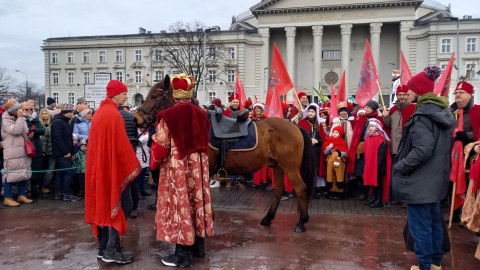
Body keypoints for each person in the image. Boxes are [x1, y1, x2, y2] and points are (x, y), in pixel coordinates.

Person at [391, 66, 455, 270]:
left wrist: (400, 166)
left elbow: (423, 150)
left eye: (410, 89)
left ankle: (425, 265)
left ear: (419, 91)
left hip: (420, 181)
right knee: (435, 223)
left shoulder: (421, 118)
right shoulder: (442, 114)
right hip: (435, 180)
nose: (407, 93)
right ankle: (435, 263)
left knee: (421, 228)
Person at [150, 74, 214, 268]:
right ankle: (198, 247)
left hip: (178, 168)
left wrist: (153, 163)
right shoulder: (201, 113)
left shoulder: (168, 116)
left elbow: (161, 146)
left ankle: (182, 254)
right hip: (198, 169)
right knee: (196, 202)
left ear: (174, 95)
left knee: (180, 205)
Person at [85, 79, 141, 264]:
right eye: (124, 93)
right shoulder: (113, 115)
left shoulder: (99, 113)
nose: (126, 95)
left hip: (98, 170)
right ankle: (112, 250)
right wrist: (133, 165)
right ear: (115, 94)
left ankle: (103, 248)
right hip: (112, 170)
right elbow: (122, 147)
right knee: (123, 206)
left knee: (102, 206)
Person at [448, 81, 480, 222]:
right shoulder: (451, 112)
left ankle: (466, 213)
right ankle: (453, 213)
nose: (458, 95)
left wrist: (467, 136)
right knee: (451, 182)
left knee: (467, 184)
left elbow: (478, 132)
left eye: (461, 93)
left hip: (470, 153)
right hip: (452, 152)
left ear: (470, 94)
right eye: (456, 93)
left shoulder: (478, 111)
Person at [2, 98, 33, 206]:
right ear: (13, 111)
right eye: (18, 109)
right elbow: (15, 131)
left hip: (22, 150)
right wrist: (20, 118)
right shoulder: (6, 119)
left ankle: (21, 195)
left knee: (23, 173)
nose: (20, 110)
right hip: (12, 151)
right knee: (10, 175)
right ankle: (7, 197)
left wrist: (29, 134)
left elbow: (24, 131)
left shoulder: (20, 118)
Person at [51, 104, 80, 201]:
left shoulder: (64, 121)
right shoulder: (58, 122)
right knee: (69, 172)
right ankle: (67, 193)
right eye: (71, 112)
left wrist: (70, 152)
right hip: (61, 153)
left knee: (61, 173)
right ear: (65, 113)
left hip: (64, 152)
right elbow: (58, 139)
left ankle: (59, 193)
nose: (72, 114)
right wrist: (66, 152)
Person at [362, 118, 391, 208]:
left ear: (378, 127)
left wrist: (377, 167)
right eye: (370, 126)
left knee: (378, 183)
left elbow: (381, 156)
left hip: (378, 166)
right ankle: (373, 198)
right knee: (372, 183)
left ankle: (379, 200)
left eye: (373, 126)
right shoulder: (368, 138)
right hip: (370, 165)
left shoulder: (381, 140)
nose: (371, 128)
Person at [383, 85, 416, 160]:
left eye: (404, 94)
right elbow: (388, 126)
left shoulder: (414, 108)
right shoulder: (393, 109)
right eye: (400, 95)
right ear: (397, 96)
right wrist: (386, 117)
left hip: (408, 144)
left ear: (408, 95)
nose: (402, 97)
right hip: (395, 144)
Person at [23, 100, 45, 198]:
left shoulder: (35, 119)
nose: (29, 111)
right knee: (26, 168)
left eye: (31, 109)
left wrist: (34, 131)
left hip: (36, 146)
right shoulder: (20, 119)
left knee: (36, 168)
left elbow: (42, 129)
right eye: (27, 109)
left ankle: (34, 189)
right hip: (24, 146)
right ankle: (26, 190)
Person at [322, 125, 348, 200]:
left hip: (339, 162)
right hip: (330, 162)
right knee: (332, 176)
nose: (334, 134)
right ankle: (331, 191)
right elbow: (325, 152)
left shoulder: (342, 142)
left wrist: (337, 153)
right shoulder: (328, 140)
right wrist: (329, 147)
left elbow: (346, 153)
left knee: (339, 176)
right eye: (333, 132)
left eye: (336, 132)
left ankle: (339, 192)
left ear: (340, 133)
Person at [39, 108, 54, 194]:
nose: (44, 115)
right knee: (44, 168)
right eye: (43, 114)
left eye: (46, 113)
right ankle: (42, 185)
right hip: (42, 150)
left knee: (50, 168)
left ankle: (46, 185)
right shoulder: (39, 124)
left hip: (50, 150)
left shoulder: (52, 124)